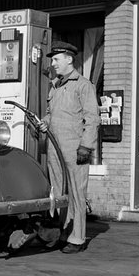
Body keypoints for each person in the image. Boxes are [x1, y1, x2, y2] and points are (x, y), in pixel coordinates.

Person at [38, 41, 99, 253]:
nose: (53, 63)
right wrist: (45, 121)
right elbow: (52, 113)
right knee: (59, 192)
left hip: (75, 148)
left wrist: (86, 147)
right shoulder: (55, 86)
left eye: (56, 59)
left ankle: (78, 238)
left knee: (76, 192)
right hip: (54, 147)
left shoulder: (83, 85)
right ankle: (63, 232)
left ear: (69, 59)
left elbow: (92, 119)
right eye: (52, 60)